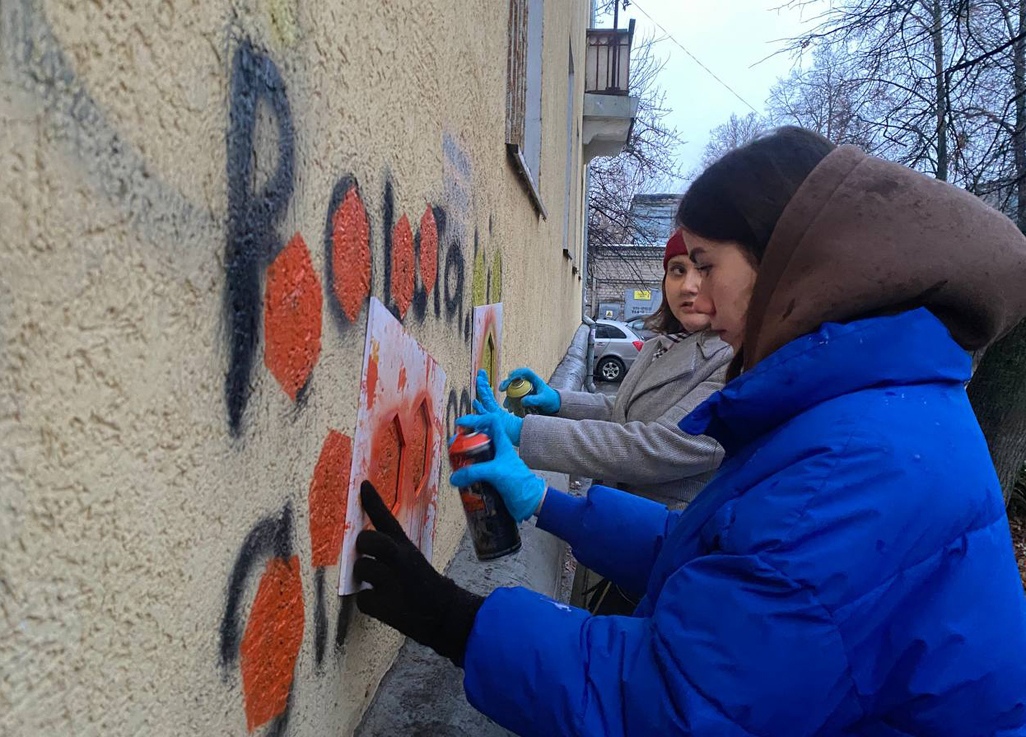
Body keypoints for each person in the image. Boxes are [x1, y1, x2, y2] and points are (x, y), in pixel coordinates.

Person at [353, 127, 1026, 735]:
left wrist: (452, 618)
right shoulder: (865, 408)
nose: (696, 289)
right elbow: (721, 550)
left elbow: (676, 708)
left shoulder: (854, 464)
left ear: (785, 260)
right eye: (683, 267)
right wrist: (548, 503)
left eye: (707, 263)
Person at [472, 229, 732, 509]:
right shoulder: (659, 345)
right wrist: (559, 401)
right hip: (615, 523)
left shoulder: (735, 363)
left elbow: (652, 449)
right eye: (677, 270)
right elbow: (622, 411)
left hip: (669, 539)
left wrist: (523, 431)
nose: (688, 286)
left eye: (703, 270)